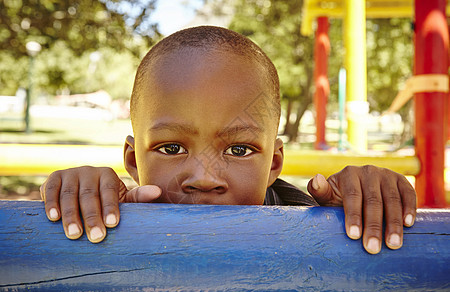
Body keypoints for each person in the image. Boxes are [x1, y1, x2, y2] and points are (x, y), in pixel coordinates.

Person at [40, 26, 416, 255]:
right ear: (134, 161)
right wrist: (83, 197)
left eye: (239, 150)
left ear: (273, 163)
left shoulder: (313, 223)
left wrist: (362, 201)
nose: (204, 178)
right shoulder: (116, 223)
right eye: (172, 148)